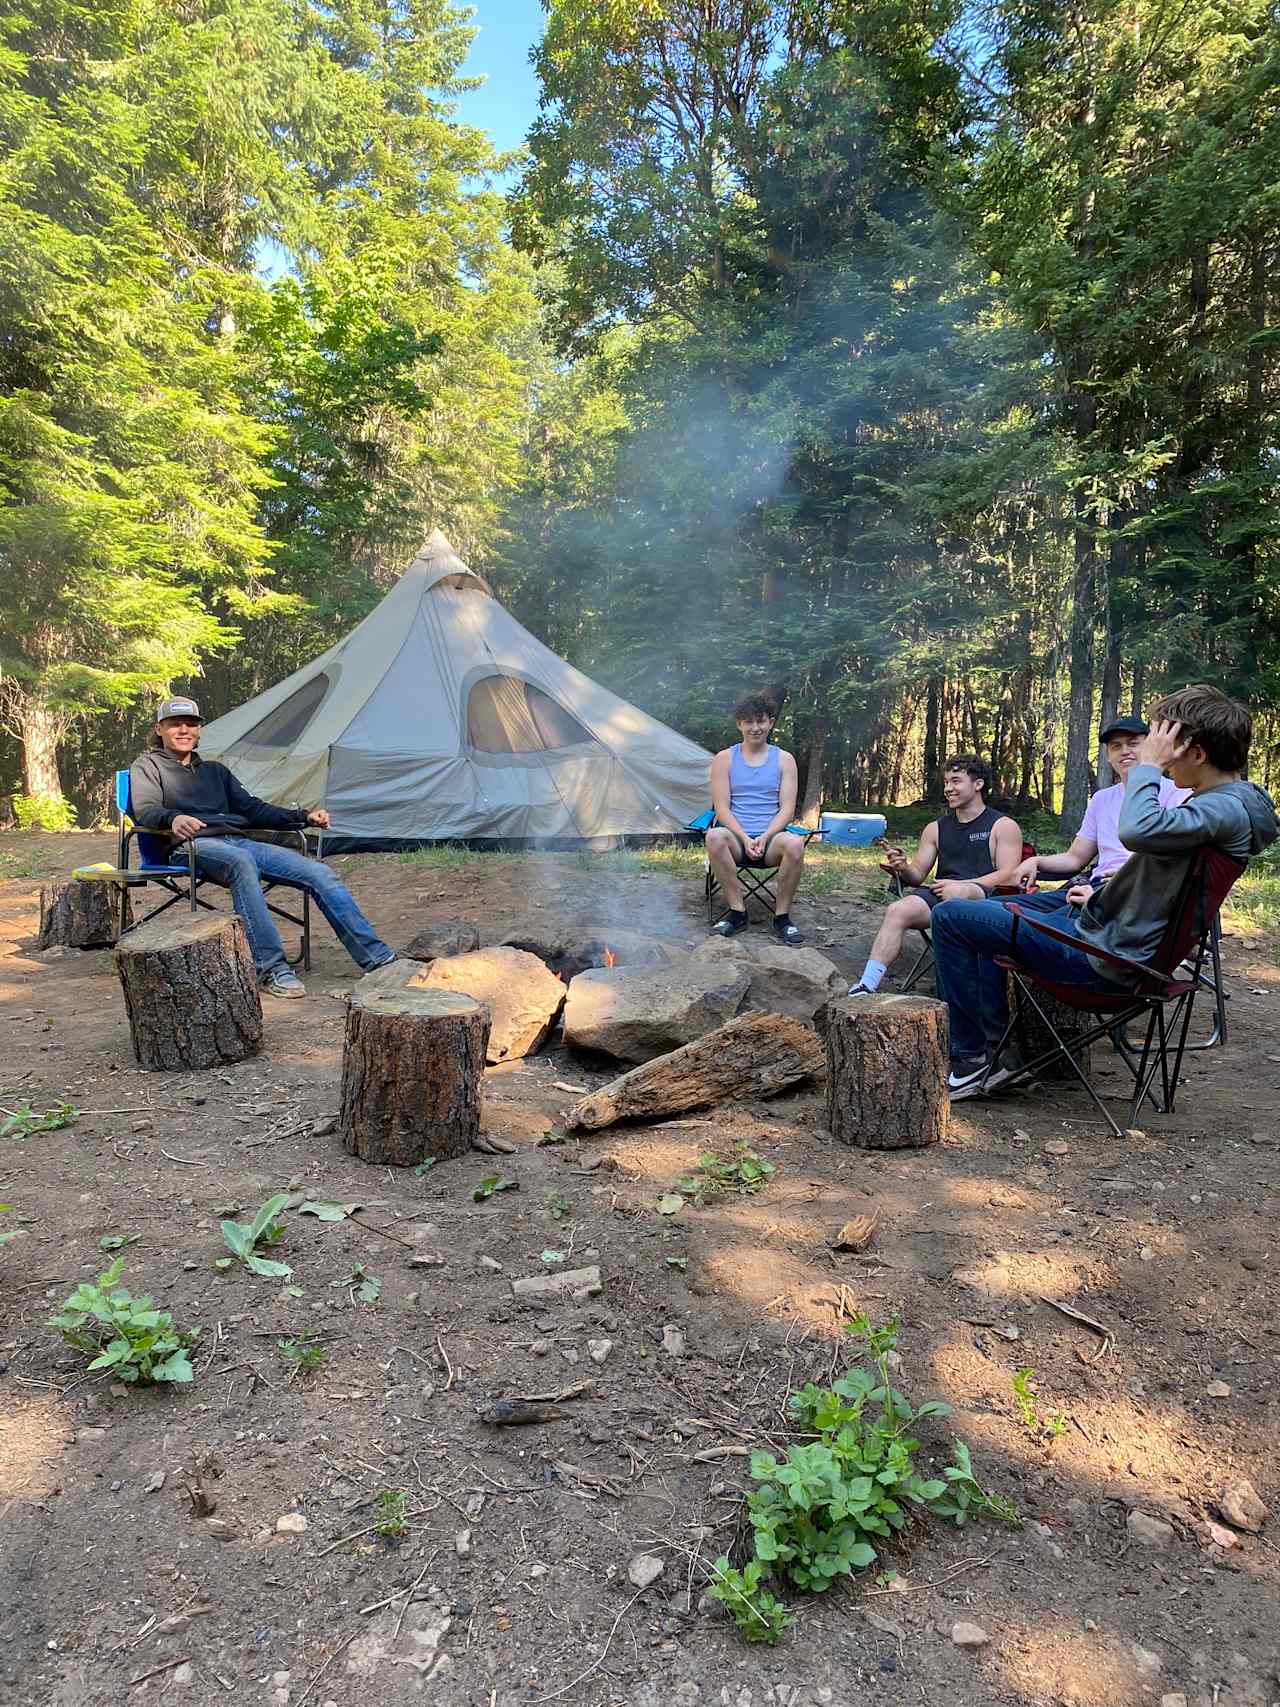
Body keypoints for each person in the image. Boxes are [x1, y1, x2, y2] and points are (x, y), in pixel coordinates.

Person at [933, 684, 1278, 1099]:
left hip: (1103, 961)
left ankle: (972, 1061)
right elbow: (1159, 889)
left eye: (1163, 747)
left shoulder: (1220, 808)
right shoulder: (1223, 803)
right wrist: (1098, 897)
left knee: (952, 917)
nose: (1161, 759)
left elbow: (1134, 832)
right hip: (1111, 938)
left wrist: (1146, 769)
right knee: (993, 908)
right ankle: (996, 1053)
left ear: (1198, 754)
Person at [129, 697, 396, 998]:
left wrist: (303, 817)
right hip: (189, 845)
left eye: (190, 724)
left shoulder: (216, 771)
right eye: (175, 724)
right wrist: (173, 817)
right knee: (241, 861)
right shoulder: (147, 766)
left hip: (237, 841)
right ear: (159, 729)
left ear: (199, 730)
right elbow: (145, 810)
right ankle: (272, 968)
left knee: (319, 872)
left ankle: (379, 959)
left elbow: (254, 810)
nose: (183, 729)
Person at [847, 755, 1023, 995]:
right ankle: (867, 985)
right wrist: (903, 866)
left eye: (956, 781)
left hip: (986, 901)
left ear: (978, 784)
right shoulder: (936, 828)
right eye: (946, 782)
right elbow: (918, 874)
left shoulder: (1003, 826)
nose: (948, 788)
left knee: (954, 893)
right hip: (941, 895)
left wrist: (963, 884)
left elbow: (1010, 876)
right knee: (898, 910)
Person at [1003, 716, 1188, 911]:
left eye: (1133, 744)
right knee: (998, 907)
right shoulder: (1102, 799)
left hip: (1137, 896)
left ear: (1151, 748)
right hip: (1093, 888)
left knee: (1006, 920)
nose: (1125, 751)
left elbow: (1178, 863)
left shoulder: (1178, 794)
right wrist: (1036, 860)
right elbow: (1075, 858)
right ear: (1108, 756)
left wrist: (1128, 880)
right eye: (1116, 746)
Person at [706, 691, 807, 944]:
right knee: (715, 836)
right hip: (736, 839)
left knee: (795, 843)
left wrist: (764, 836)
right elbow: (722, 809)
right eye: (749, 722)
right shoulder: (724, 759)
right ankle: (737, 911)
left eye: (761, 721)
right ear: (739, 724)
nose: (755, 728)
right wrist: (744, 837)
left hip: (771, 839)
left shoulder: (784, 760)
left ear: (770, 722)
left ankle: (782, 916)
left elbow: (786, 809)